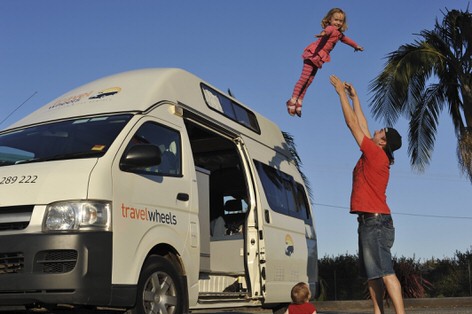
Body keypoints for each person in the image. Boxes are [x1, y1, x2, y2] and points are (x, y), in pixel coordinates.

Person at [329, 75, 405, 314]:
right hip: (368, 222)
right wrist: (355, 98)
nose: (375, 129)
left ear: (383, 143)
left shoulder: (375, 155)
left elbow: (353, 125)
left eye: (381, 131)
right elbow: (360, 123)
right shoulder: (375, 152)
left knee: (386, 272)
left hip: (376, 222)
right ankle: (377, 311)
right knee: (373, 275)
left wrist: (341, 93)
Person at [287, 8, 363, 117]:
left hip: (319, 58)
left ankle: (299, 102)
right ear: (330, 19)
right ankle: (293, 99)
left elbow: (347, 40)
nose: (338, 23)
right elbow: (327, 31)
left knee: (309, 81)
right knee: (304, 78)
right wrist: (322, 34)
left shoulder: (339, 34)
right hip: (313, 54)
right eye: (336, 20)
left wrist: (356, 46)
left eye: (340, 21)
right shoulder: (331, 28)